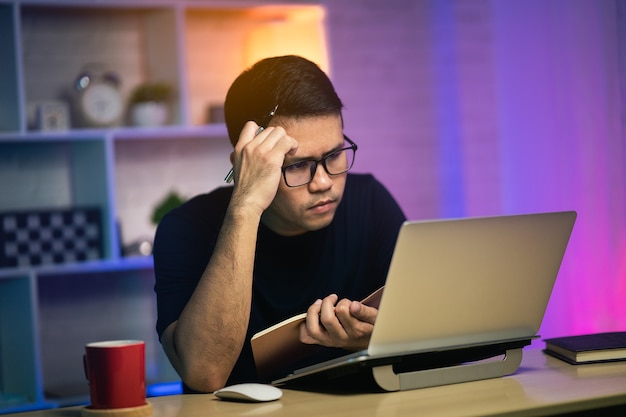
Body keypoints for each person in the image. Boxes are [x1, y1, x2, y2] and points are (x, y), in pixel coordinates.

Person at [153, 55, 406, 393]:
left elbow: (427, 335)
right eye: (299, 165)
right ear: (248, 160)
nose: (324, 182)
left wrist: (376, 341)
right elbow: (205, 373)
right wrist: (245, 206)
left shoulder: (370, 202)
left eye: (333, 155)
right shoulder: (185, 228)